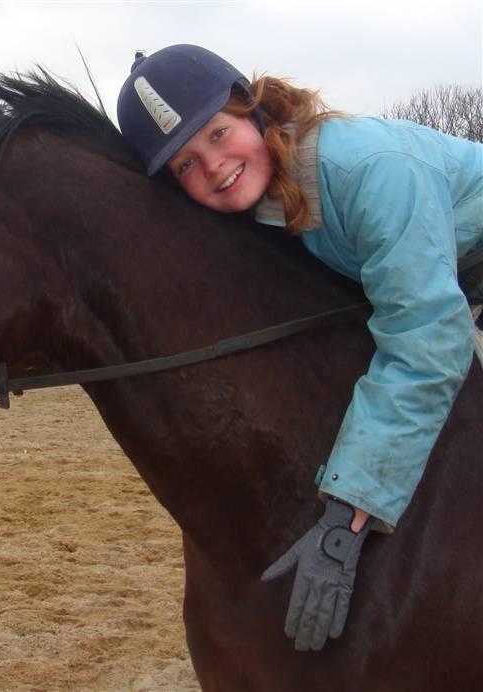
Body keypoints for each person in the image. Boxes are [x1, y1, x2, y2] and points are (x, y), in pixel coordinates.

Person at [116, 44, 483, 653]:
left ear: (253, 108)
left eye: (217, 132)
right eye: (184, 165)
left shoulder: (367, 169)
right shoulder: (268, 199)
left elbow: (427, 336)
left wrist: (347, 515)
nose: (213, 166)